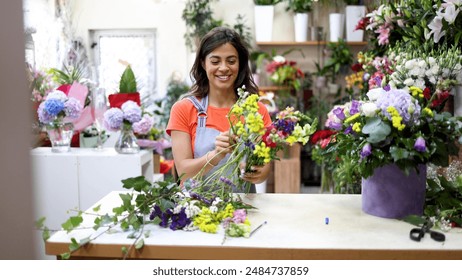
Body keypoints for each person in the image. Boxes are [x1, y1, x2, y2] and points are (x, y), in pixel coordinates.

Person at [166, 26, 272, 192]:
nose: (223, 68)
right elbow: (183, 173)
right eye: (215, 61)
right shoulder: (183, 109)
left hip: (242, 210)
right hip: (197, 211)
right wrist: (215, 155)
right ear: (203, 63)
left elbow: (264, 170)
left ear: (240, 64)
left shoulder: (256, 111)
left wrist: (258, 172)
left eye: (231, 61)